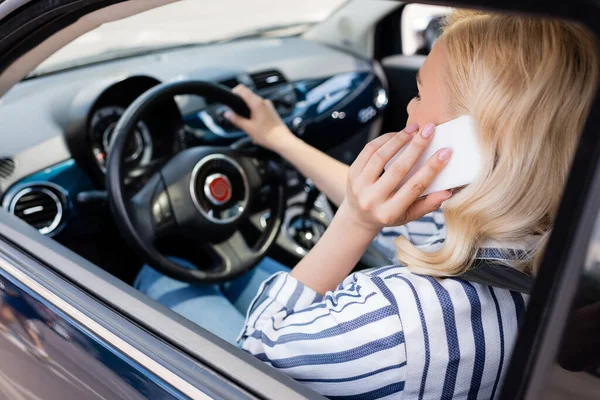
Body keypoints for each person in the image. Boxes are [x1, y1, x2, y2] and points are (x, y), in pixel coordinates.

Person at [135, 10, 599, 399]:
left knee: (168, 267)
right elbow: (388, 208)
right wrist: (277, 138)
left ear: (473, 141)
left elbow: (255, 360)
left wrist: (353, 222)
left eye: (419, 95)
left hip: (280, 354)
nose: (410, 112)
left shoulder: (397, 320)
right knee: (237, 270)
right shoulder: (537, 242)